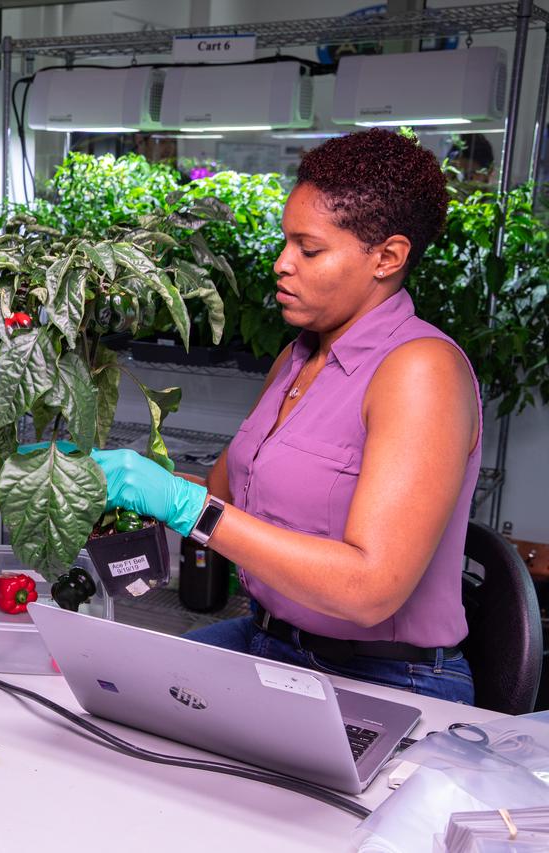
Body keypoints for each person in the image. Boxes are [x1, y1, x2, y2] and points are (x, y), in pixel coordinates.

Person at [91, 129, 480, 704]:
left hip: (383, 678)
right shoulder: (298, 359)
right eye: (285, 243)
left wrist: (183, 504)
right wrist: (112, 485)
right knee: (112, 694)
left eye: (309, 249)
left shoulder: (421, 371)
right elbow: (225, 498)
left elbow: (369, 589)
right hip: (270, 641)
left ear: (388, 257)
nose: (281, 264)